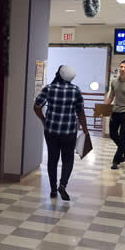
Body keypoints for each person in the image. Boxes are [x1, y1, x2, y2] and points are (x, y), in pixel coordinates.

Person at [34, 65, 88, 201]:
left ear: (58, 74)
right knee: (68, 159)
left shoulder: (49, 88)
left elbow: (36, 106)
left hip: (51, 130)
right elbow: (80, 112)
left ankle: (53, 189)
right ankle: (63, 185)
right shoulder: (76, 90)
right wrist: (85, 129)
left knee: (52, 159)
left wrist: (44, 120)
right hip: (69, 131)